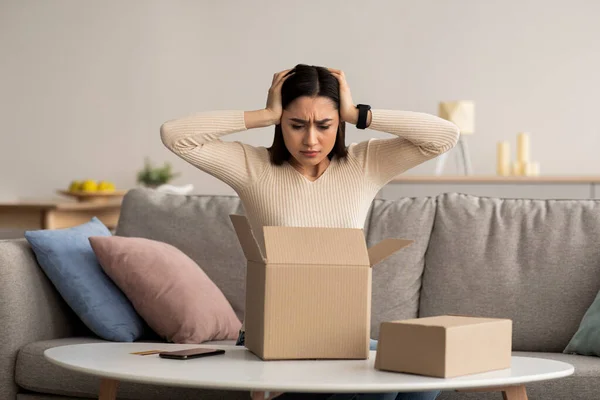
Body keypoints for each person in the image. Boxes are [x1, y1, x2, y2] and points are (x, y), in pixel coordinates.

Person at [160, 64, 460, 400]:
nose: (311, 140)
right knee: (378, 387)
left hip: (340, 337)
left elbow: (444, 136)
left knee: (427, 368)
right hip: (274, 339)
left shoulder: (365, 164)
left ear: (340, 124)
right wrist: (264, 113)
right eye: (296, 124)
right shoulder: (253, 168)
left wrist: (357, 113)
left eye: (325, 124)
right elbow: (175, 135)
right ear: (280, 123)